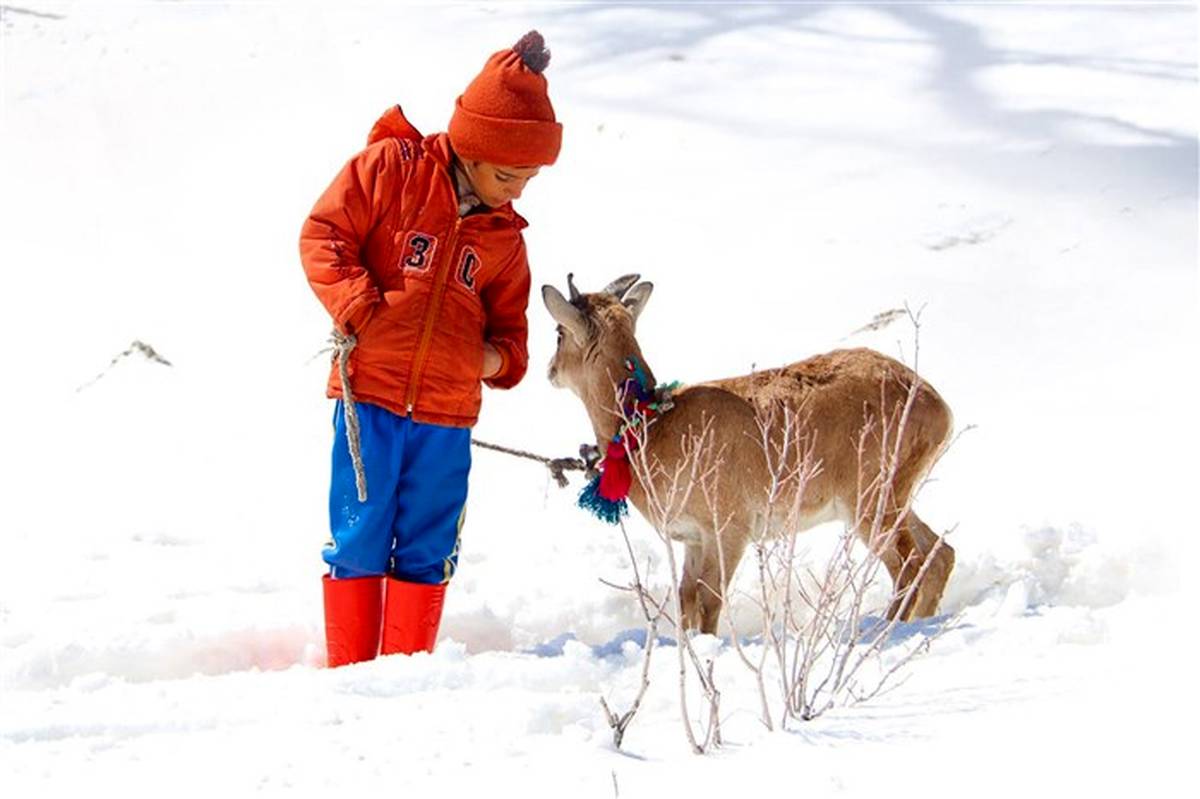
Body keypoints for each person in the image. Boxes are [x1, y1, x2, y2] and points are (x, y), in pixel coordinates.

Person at [299, 31, 561, 667]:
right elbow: (323, 233)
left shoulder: (505, 242)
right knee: (359, 533)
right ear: (472, 150)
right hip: (370, 397)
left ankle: (406, 677)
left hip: (447, 417)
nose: (517, 191)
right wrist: (360, 305)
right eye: (507, 175)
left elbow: (512, 342)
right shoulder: (388, 170)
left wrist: (489, 362)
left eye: (529, 178)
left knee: (427, 543)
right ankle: (351, 672)